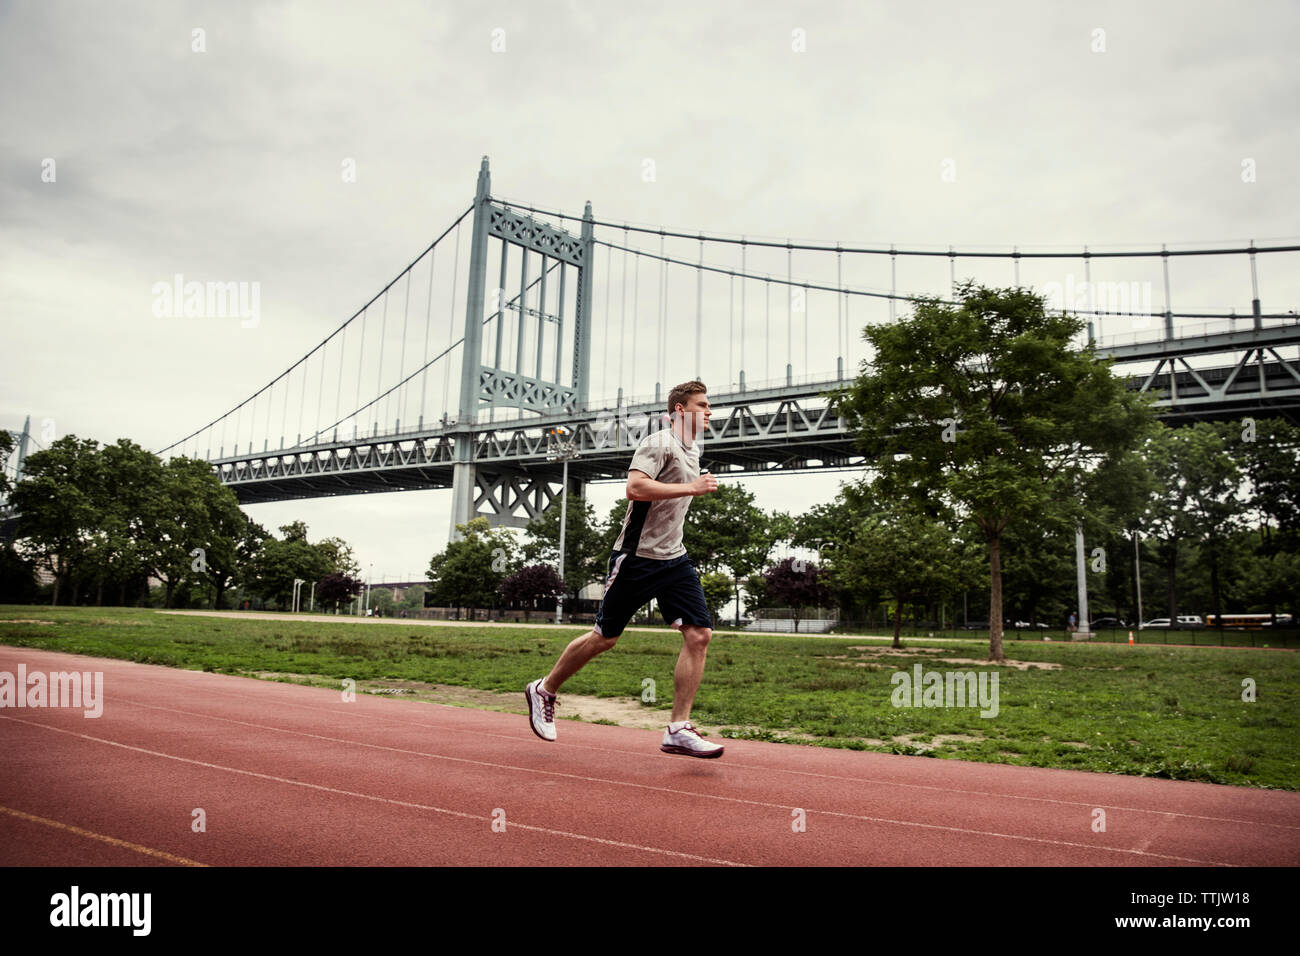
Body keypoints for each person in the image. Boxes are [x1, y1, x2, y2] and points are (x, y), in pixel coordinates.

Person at [526, 380, 723, 757]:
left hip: (674, 559)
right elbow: (635, 488)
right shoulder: (657, 443)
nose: (710, 412)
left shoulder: (693, 447)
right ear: (681, 410)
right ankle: (544, 689)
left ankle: (678, 728)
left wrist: (690, 489)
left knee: (699, 635)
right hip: (636, 557)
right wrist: (692, 489)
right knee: (605, 637)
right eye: (702, 405)